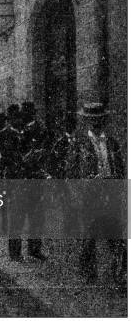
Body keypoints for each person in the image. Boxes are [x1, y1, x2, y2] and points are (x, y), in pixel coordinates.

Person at [66, 102, 125, 285]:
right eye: (92, 120)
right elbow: (71, 170)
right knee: (89, 235)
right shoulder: (79, 143)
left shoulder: (111, 142)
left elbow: (120, 168)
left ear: (103, 121)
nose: (95, 124)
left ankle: (120, 273)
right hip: (89, 193)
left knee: (115, 234)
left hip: (109, 191)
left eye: (99, 120)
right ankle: (88, 272)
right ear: (87, 122)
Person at [9, 101, 48, 262]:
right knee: (17, 216)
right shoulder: (16, 130)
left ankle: (34, 249)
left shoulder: (41, 130)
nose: (25, 116)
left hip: (34, 178)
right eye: (24, 113)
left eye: (28, 113)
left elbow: (46, 151)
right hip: (19, 179)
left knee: (36, 215)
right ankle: (15, 252)